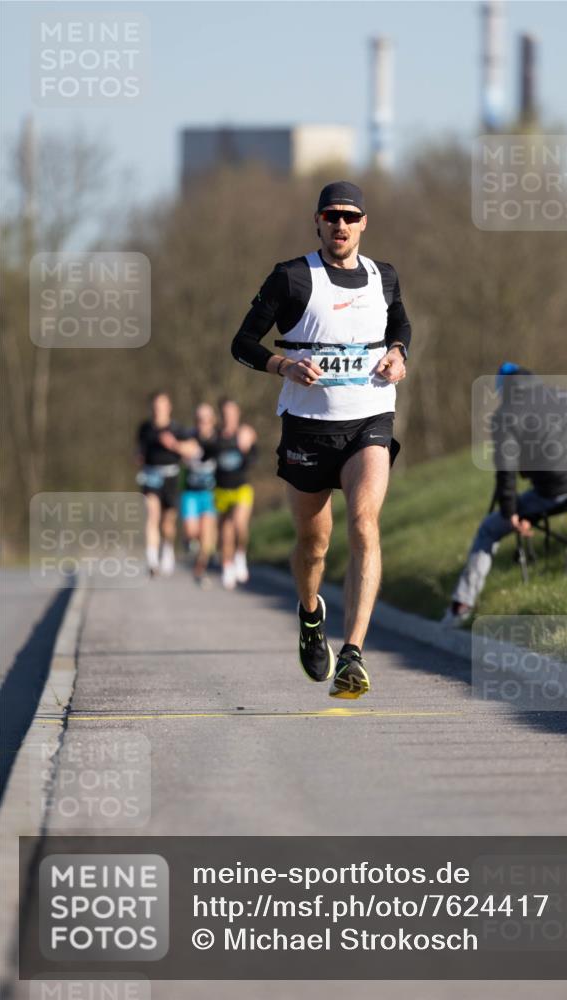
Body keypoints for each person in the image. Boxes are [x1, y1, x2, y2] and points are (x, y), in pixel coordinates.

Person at [231, 180, 410, 698]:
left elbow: (399, 321)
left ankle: (353, 652)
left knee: (364, 522)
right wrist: (283, 364)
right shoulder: (291, 278)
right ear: (318, 221)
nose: (340, 224)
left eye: (350, 217)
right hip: (308, 427)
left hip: (369, 418)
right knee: (315, 545)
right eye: (331, 216)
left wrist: (398, 352)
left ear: (363, 224)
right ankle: (311, 615)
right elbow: (241, 342)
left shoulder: (384, 275)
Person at [442, 363, 567, 625]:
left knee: (488, 529)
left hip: (553, 493)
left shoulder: (505, 415)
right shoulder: (564, 396)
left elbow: (506, 472)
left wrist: (510, 513)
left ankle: (460, 606)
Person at [136, 392, 197, 577]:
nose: (158, 410)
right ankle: (152, 560)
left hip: (171, 476)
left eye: (162, 405)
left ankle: (167, 547)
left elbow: (192, 451)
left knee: (167, 523)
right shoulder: (145, 428)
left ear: (169, 407)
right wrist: (138, 458)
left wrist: (174, 445)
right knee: (151, 515)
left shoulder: (178, 429)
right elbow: (138, 451)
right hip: (150, 476)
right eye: (155, 406)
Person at [214, 398, 257, 590]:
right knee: (225, 530)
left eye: (232, 413)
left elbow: (254, 460)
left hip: (241, 487)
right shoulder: (215, 436)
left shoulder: (245, 434)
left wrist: (246, 448)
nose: (229, 417)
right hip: (220, 488)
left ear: (237, 414)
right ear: (220, 415)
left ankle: (240, 556)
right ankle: (227, 565)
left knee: (239, 523)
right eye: (225, 413)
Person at [175, 403, 220, 588]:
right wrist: (180, 449)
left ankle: (200, 571)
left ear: (212, 421)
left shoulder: (218, 439)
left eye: (206, 419)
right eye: (199, 420)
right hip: (191, 492)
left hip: (210, 493)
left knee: (206, 537)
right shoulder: (188, 436)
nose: (202, 423)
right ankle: (188, 541)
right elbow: (178, 450)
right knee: (192, 531)